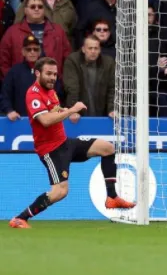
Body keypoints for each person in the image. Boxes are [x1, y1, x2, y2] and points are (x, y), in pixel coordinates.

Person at [8, 57, 134, 228]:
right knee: (60, 192)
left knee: (107, 148)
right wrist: (72, 110)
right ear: (38, 73)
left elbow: (53, 110)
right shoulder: (33, 94)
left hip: (65, 142)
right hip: (51, 150)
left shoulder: (51, 91)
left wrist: (63, 110)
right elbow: (44, 120)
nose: (53, 77)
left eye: (54, 74)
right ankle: (20, 218)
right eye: (48, 74)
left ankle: (112, 197)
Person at [0, 35, 64, 121]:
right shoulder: (14, 72)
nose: (32, 52)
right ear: (23, 52)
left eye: (36, 49)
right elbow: (5, 95)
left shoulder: (49, 71)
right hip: (20, 121)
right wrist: (9, 110)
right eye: (28, 49)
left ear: (40, 52)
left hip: (45, 121)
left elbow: (58, 93)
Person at [62, 35, 115, 117]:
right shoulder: (73, 61)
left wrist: (112, 109)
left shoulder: (108, 63)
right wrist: (72, 110)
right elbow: (72, 88)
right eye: (90, 48)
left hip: (102, 114)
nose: (93, 51)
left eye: (96, 48)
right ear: (83, 49)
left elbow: (112, 88)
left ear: (100, 50)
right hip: (79, 114)